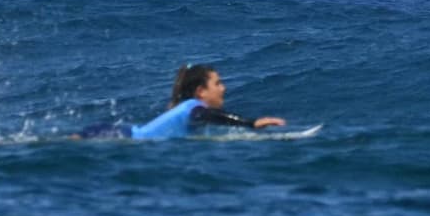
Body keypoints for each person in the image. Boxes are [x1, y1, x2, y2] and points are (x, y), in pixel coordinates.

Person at [75, 64, 285, 140]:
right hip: (114, 136)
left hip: (117, 133)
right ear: (201, 91)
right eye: (218, 83)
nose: (224, 88)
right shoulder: (195, 108)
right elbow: (208, 116)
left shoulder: (186, 108)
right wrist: (251, 123)